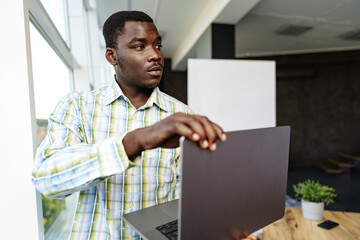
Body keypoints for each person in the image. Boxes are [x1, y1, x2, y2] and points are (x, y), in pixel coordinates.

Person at [32, 11, 255, 240]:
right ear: (112, 56)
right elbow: (46, 179)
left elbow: (190, 198)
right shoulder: (78, 107)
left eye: (158, 45)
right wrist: (135, 142)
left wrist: (221, 230)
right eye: (140, 47)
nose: (155, 55)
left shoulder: (182, 114)